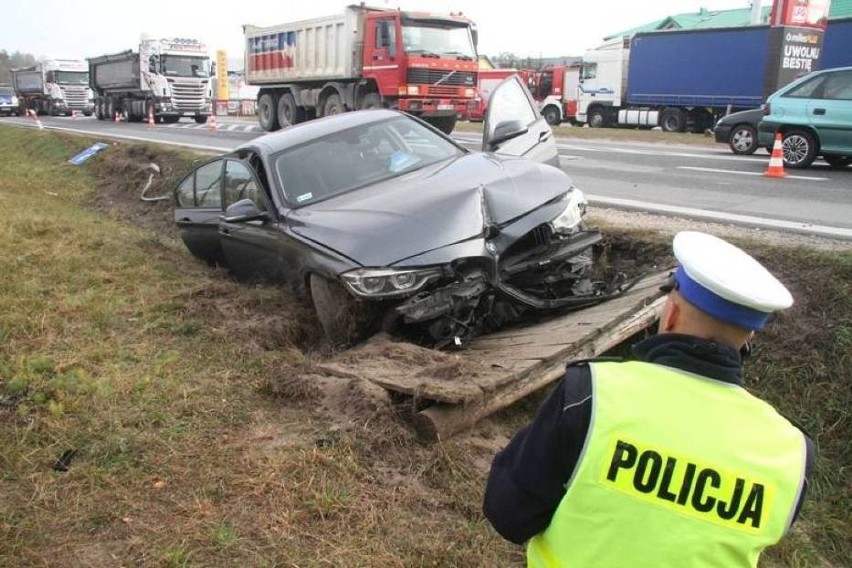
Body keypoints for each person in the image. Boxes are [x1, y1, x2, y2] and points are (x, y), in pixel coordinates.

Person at [483, 231, 814, 568]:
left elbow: (509, 513)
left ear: (669, 313)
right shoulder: (792, 452)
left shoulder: (592, 394)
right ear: (750, 335)